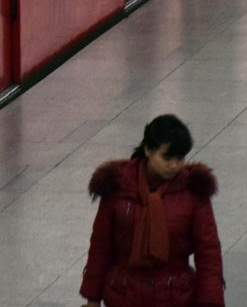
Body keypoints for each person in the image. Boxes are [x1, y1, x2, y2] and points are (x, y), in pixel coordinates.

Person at [79, 114, 224, 307]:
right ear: (148, 150)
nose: (174, 165)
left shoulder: (193, 191)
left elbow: (208, 253)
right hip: (124, 295)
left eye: (180, 158)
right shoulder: (117, 186)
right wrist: (92, 298)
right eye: (167, 157)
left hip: (174, 296)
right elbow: (101, 246)